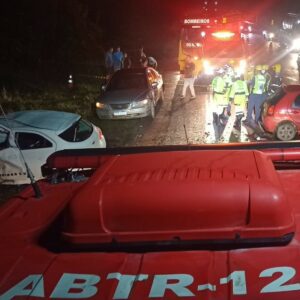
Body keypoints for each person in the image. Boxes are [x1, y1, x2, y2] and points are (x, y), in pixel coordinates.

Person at [211, 68, 227, 141]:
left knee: (215, 108)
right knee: (220, 110)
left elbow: (212, 86)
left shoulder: (214, 79)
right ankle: (218, 123)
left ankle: (216, 121)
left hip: (215, 95)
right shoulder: (222, 80)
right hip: (220, 96)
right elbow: (224, 89)